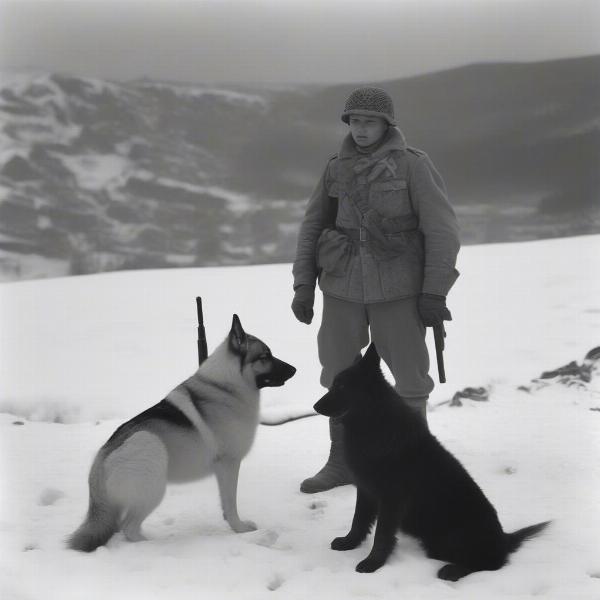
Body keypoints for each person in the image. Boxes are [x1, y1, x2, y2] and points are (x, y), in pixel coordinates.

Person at [291, 87, 460, 493]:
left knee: (410, 379)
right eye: (354, 121)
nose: (361, 129)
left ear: (387, 124)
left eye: (369, 121)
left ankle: (414, 463)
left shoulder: (413, 166)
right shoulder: (336, 168)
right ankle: (344, 461)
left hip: (399, 285)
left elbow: (441, 230)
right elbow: (313, 225)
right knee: (336, 374)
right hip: (342, 285)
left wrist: (434, 291)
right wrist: (303, 284)